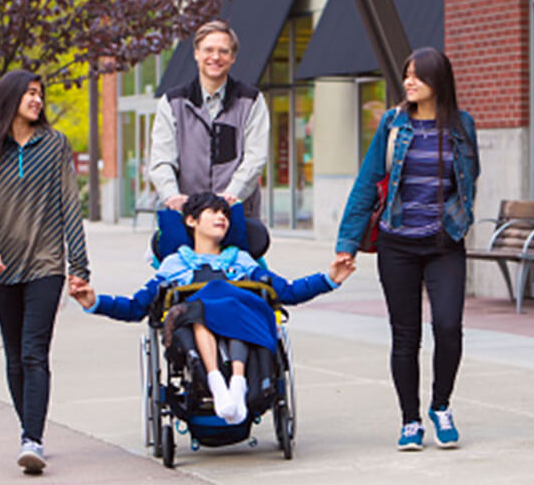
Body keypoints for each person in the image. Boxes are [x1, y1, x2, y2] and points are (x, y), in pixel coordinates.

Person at [69, 192, 354, 424]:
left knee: (230, 302)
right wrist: (94, 303)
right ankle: (219, 384)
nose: (222, 218)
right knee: (202, 308)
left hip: (241, 325)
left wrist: (330, 279)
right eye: (213, 212)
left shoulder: (241, 260)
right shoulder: (175, 265)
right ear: (191, 221)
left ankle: (238, 384)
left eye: (225, 214)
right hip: (195, 330)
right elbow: (135, 306)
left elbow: (287, 291)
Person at [335, 47, 479, 451]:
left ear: (439, 81)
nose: (409, 82)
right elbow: (368, 181)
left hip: (444, 243)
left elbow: (470, 179)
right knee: (406, 335)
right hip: (397, 243)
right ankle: (410, 420)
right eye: (407, 75)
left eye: (418, 76)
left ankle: (441, 406)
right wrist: (347, 243)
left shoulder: (463, 125)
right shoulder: (393, 123)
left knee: (449, 328)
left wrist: (459, 221)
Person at [0, 70, 90, 474]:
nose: (37, 100)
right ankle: (27, 429)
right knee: (15, 356)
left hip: (45, 266)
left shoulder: (54, 145)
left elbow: (70, 206)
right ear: (10, 97)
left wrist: (79, 266)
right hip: (2, 266)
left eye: (40, 94)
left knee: (35, 352)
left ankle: (32, 439)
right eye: (30, 94)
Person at [149, 19, 269, 218]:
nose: (215, 57)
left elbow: (255, 158)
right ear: (196, 54)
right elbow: (161, 159)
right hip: (187, 215)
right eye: (208, 50)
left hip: (236, 215)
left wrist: (231, 196)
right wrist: (172, 196)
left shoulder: (251, 101)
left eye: (223, 51)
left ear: (232, 57)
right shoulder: (172, 102)